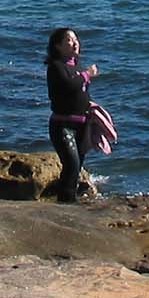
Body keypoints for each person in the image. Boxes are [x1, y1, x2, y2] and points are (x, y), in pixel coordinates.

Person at [45, 27, 99, 201]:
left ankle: (68, 200)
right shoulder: (55, 67)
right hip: (63, 126)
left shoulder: (77, 66)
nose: (75, 43)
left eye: (76, 39)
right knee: (71, 165)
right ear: (58, 46)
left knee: (77, 167)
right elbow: (69, 85)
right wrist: (87, 75)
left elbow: (80, 91)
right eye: (69, 40)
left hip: (82, 124)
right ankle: (66, 204)